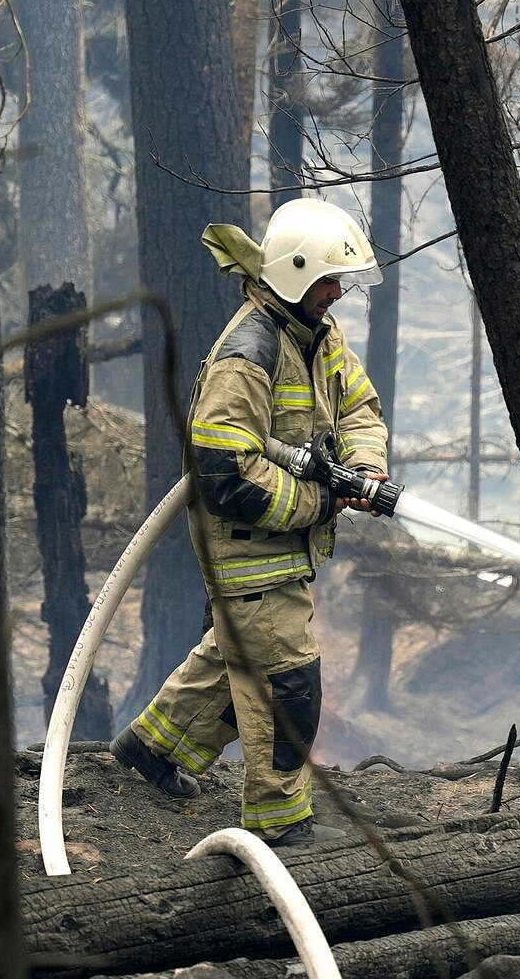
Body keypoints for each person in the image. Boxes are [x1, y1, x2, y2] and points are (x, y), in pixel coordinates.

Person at [110, 197, 391, 848]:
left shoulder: (318, 337)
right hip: (246, 547)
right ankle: (279, 821)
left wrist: (365, 468)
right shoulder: (248, 353)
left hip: (284, 544)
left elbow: (359, 407)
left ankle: (154, 747)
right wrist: (321, 502)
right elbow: (226, 476)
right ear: (295, 273)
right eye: (328, 279)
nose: (338, 293)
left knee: (236, 655)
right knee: (286, 680)